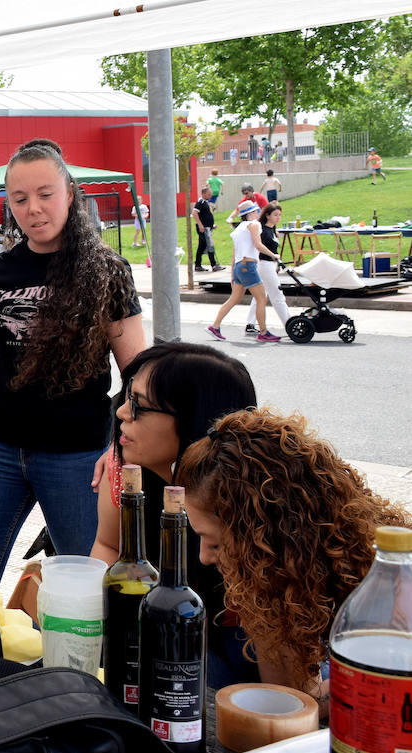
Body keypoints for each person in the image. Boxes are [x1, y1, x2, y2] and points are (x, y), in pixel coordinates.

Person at [0, 138, 146, 581]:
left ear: (69, 193)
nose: (34, 208)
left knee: (90, 586)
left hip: (78, 457)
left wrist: (118, 450)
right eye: (20, 199)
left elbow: (138, 376)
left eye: (46, 194)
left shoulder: (108, 270)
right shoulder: (1, 269)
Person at [177, 407, 405, 700]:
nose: (204, 558)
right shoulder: (276, 576)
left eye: (216, 544)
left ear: (267, 536)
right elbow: (295, 693)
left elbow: (349, 695)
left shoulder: (389, 586)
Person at [87, 342, 258, 686]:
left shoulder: (249, 497)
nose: (122, 412)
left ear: (196, 418)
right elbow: (107, 545)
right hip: (157, 620)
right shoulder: (125, 469)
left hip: (241, 634)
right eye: (125, 397)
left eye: (139, 406)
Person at [207, 200, 280, 343]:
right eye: (257, 211)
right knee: (261, 299)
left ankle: (214, 326)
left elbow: (235, 253)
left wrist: (233, 273)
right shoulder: (254, 225)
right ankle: (263, 332)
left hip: (239, 266)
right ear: (251, 213)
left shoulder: (238, 229)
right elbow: (258, 245)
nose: (259, 213)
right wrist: (273, 255)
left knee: (234, 299)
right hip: (249, 266)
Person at [245, 203, 291, 335]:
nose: (278, 217)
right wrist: (273, 256)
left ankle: (250, 323)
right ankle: (288, 323)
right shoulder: (263, 231)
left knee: (260, 295)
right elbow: (258, 247)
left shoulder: (272, 230)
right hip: (264, 264)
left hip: (269, 265)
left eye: (280, 215)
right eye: (275, 215)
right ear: (267, 215)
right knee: (277, 295)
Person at [191, 186, 223, 273]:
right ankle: (214, 265)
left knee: (202, 247)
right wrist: (200, 225)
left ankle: (198, 265)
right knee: (210, 246)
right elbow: (194, 213)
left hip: (208, 228)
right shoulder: (200, 202)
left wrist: (212, 225)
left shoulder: (206, 202)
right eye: (209, 194)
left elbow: (205, 216)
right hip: (204, 229)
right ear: (203, 194)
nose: (210, 196)